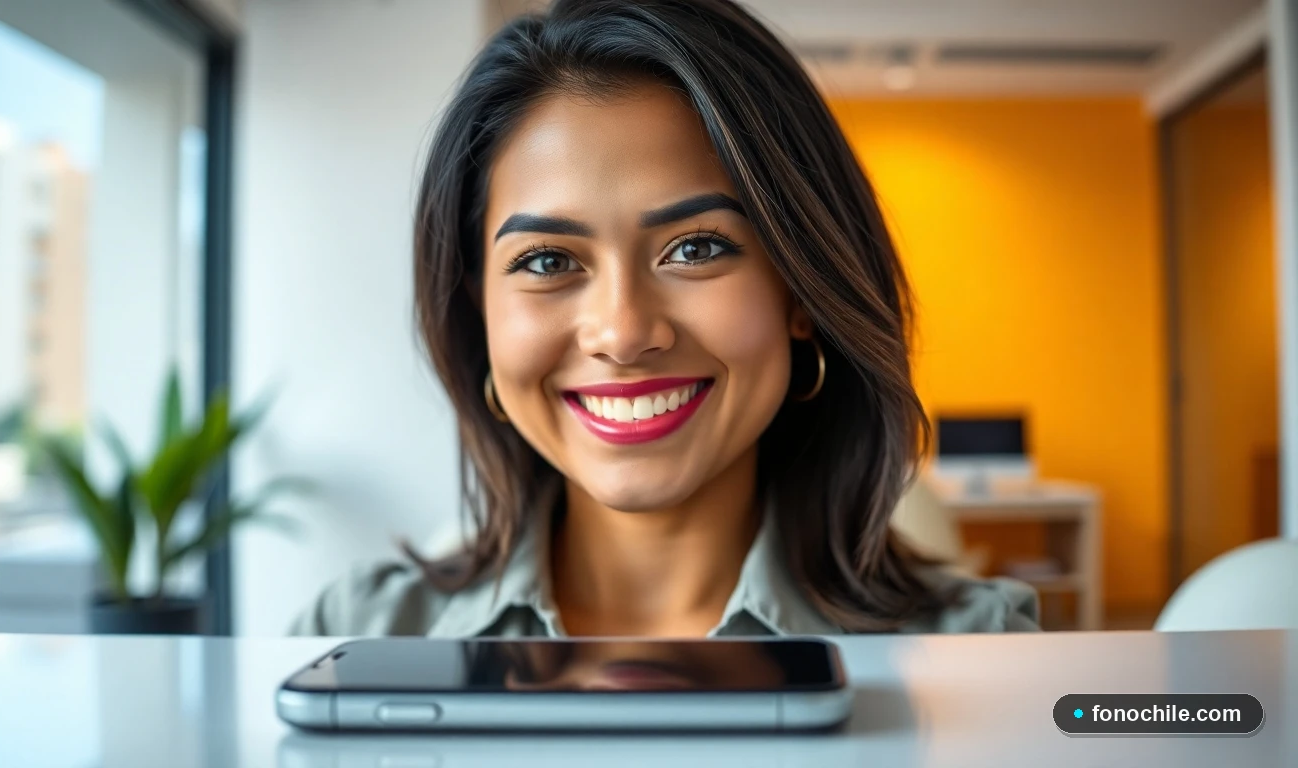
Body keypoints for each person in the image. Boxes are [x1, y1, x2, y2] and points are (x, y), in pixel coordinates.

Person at [290, 0, 1039, 638]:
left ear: (802, 292)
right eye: (548, 262)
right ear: (477, 307)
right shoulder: (352, 634)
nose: (622, 331)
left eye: (697, 247)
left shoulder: (985, 649)